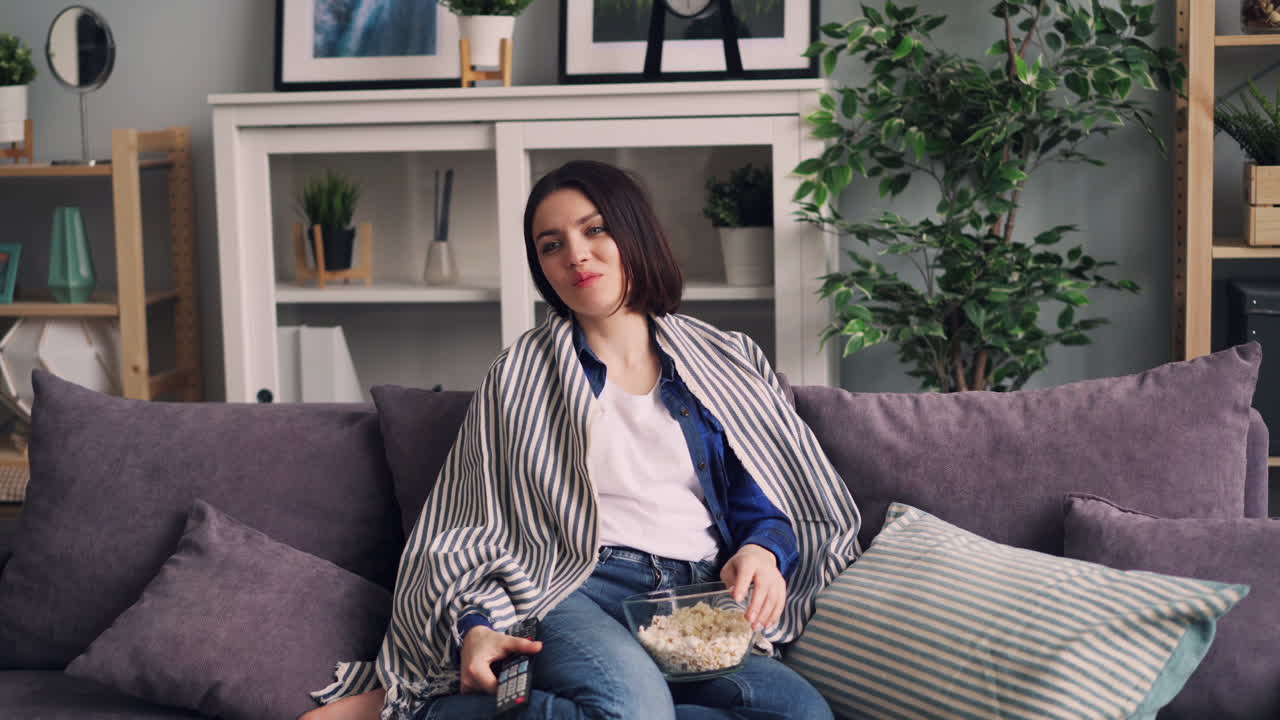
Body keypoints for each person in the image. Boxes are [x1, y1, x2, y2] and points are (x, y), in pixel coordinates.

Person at [303, 160, 862, 720]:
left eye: (595, 230)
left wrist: (763, 548)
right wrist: (474, 624)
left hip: (694, 600)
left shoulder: (725, 359)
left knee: (799, 713)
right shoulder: (519, 374)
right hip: (575, 587)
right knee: (632, 709)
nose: (575, 254)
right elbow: (473, 526)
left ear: (633, 232)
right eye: (551, 245)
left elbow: (767, 493)